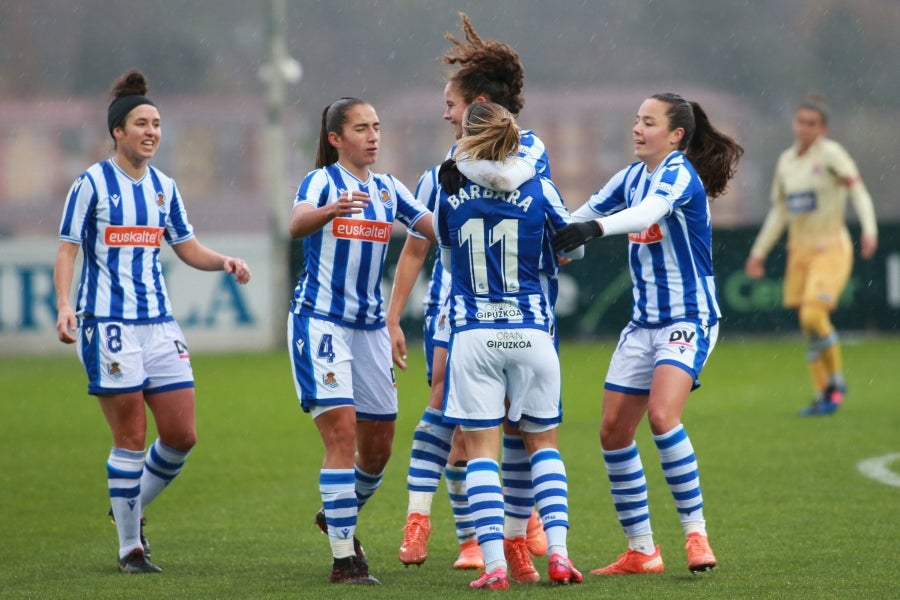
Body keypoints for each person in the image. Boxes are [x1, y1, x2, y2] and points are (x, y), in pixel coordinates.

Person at [53, 68, 252, 574]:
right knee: (132, 437)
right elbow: (67, 249)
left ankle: (128, 505)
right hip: (109, 325)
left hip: (160, 324)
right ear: (118, 130)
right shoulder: (91, 184)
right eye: (142, 123)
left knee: (182, 435)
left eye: (157, 124)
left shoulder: (165, 187)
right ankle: (130, 547)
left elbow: (186, 246)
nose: (152, 132)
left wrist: (224, 261)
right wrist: (64, 304)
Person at [553, 92, 744, 575]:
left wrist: (593, 231)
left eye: (649, 122)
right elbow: (577, 217)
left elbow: (645, 214)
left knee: (661, 416)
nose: (637, 129)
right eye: (637, 120)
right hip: (642, 325)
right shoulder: (630, 177)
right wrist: (553, 233)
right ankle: (642, 550)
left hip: (688, 319)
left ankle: (696, 535)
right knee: (613, 432)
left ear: (676, 135)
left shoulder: (678, 174)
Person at [388, 11, 548, 579]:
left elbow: (541, 216)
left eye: (450, 105)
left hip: (520, 306)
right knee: (451, 413)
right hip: (455, 307)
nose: (445, 114)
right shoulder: (440, 172)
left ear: (476, 103)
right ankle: (452, 529)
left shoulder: (530, 154)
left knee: (514, 422)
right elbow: (415, 248)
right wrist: (392, 317)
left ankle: (516, 528)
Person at [287, 97, 436, 585]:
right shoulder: (322, 181)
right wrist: (330, 211)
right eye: (361, 128)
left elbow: (434, 229)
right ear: (335, 139)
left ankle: (335, 514)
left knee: (378, 450)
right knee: (341, 435)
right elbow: (296, 224)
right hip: (321, 324)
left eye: (376, 126)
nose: (373, 136)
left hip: (370, 330)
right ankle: (344, 560)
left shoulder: (389, 188)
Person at [437, 101, 585, 590]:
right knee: (543, 446)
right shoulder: (540, 186)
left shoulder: (448, 188)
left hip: (474, 333)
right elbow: (574, 246)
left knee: (481, 453)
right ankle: (559, 556)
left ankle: (495, 567)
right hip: (531, 331)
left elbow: (447, 255)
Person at [744, 93, 878, 416]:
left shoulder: (831, 154)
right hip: (799, 251)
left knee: (812, 316)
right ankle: (823, 397)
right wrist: (758, 252)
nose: (804, 128)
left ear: (823, 128)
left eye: (811, 123)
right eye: (800, 122)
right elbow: (780, 211)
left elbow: (857, 189)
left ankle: (837, 381)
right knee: (809, 328)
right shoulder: (786, 162)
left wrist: (869, 228)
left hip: (830, 247)